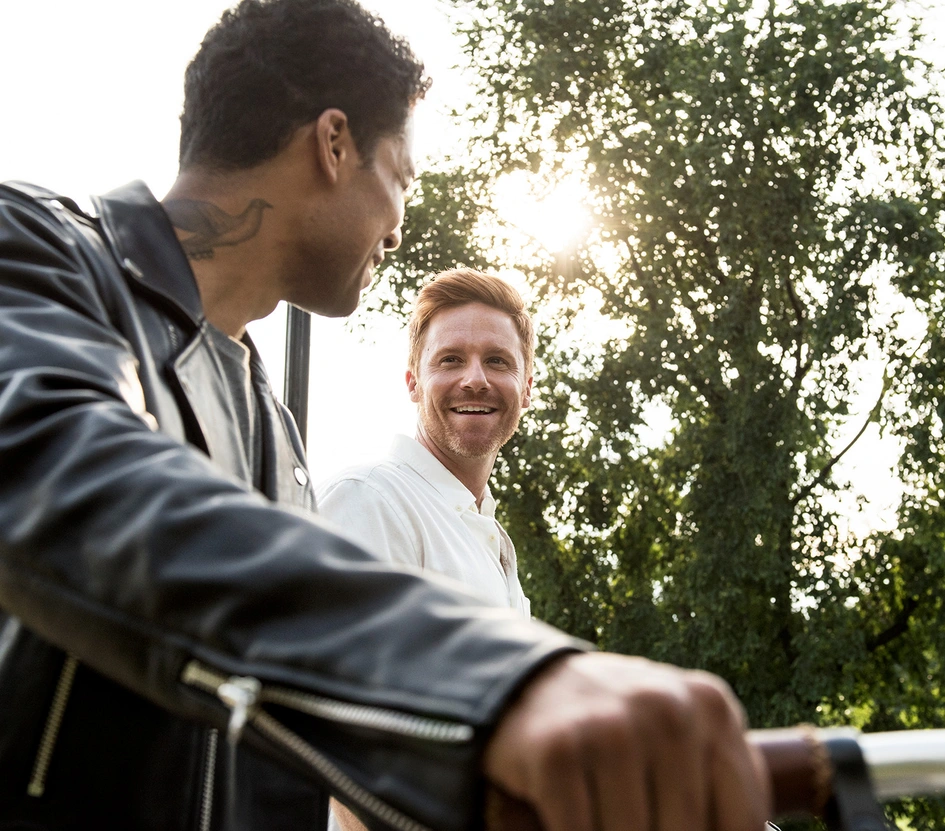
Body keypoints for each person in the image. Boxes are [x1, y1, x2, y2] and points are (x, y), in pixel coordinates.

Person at [0, 2, 771, 831]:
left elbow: (305, 752)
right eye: (401, 177)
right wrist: (497, 677)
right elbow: (62, 475)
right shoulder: (36, 249)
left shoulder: (273, 432)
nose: (400, 226)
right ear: (334, 144)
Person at [317, 269, 533, 618]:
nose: (475, 380)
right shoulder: (369, 500)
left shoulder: (487, 535)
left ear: (526, 388)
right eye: (451, 360)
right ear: (413, 383)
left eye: (497, 361)